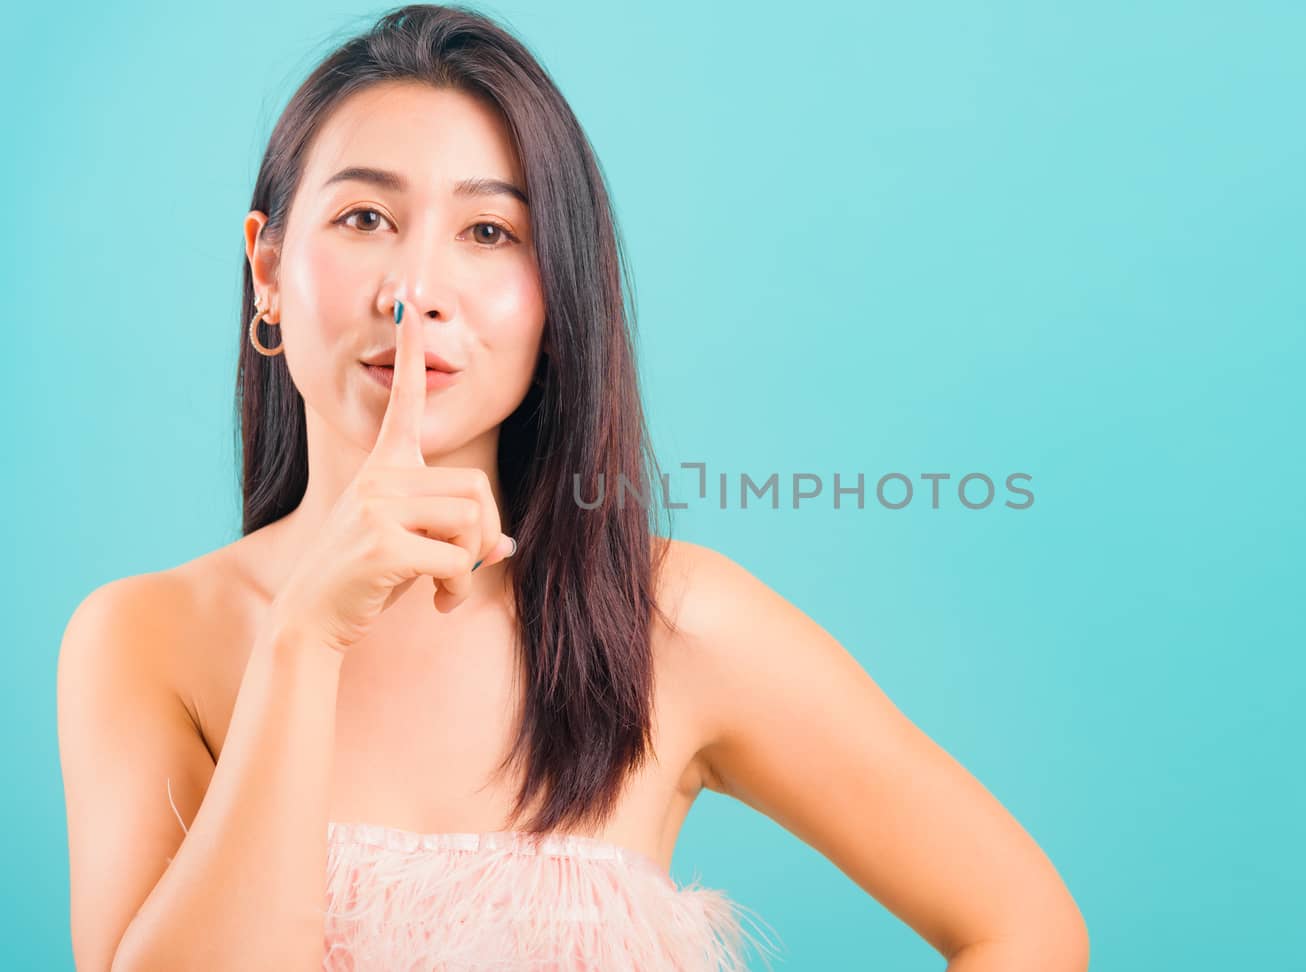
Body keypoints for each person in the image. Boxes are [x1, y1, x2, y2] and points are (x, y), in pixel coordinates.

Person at [56, 4, 1089, 969]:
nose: (414, 290)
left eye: (490, 233)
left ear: (558, 301)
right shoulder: (147, 641)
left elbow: (1023, 925)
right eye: (365, 217)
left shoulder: (663, 622)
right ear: (268, 269)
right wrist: (302, 641)